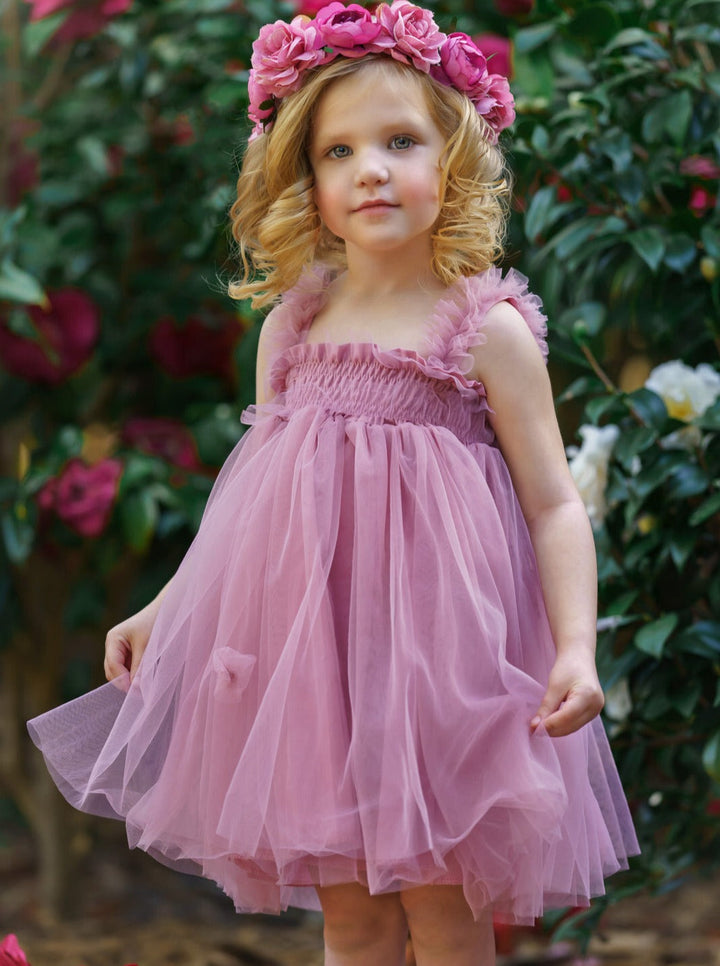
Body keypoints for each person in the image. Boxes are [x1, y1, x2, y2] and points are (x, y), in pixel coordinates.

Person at [28, 3, 639, 964]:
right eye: (338, 151)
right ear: (305, 179)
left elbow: (554, 501)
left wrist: (575, 649)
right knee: (351, 918)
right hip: (315, 670)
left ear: (454, 158)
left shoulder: (485, 330)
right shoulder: (294, 326)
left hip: (444, 668)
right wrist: (165, 605)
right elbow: (248, 498)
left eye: (401, 141)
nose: (370, 170)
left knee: (446, 910)